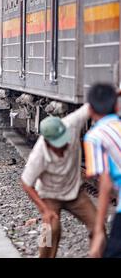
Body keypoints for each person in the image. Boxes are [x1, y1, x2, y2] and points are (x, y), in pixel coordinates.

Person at [20, 103, 97, 258]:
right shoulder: (38, 155)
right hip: (49, 195)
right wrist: (44, 210)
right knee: (50, 229)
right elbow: (26, 183)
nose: (65, 145)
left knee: (97, 225)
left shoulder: (72, 124)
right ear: (47, 142)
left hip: (75, 192)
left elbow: (92, 105)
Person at [84, 84, 121, 258]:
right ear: (117, 106)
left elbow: (105, 182)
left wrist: (99, 230)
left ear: (90, 110)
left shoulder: (95, 136)